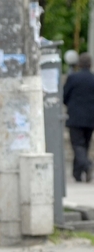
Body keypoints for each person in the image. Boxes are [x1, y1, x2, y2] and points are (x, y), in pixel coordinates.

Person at [63, 53, 94, 183]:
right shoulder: (93, 78)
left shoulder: (73, 78)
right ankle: (77, 174)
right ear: (90, 64)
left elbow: (65, 95)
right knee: (84, 145)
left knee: (77, 145)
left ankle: (87, 166)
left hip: (75, 117)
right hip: (91, 118)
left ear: (79, 64)